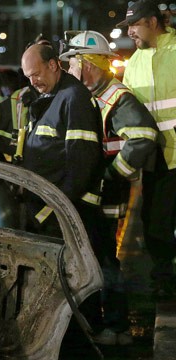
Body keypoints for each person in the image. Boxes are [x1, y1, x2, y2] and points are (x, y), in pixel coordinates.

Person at [60, 29, 159, 345]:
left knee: (104, 259)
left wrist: (114, 173)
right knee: (97, 257)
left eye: (71, 63)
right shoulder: (89, 94)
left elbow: (143, 135)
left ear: (86, 62)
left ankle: (116, 327)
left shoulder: (115, 97)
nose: (68, 70)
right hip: (94, 193)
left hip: (105, 195)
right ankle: (107, 324)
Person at [0, 44, 104, 238]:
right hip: (47, 208)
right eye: (28, 77)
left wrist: (51, 210)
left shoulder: (74, 99)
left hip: (67, 214)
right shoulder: (42, 95)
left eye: (36, 74)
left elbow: (81, 167)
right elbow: (2, 116)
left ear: (52, 65)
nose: (32, 82)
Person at [117, 0, 176, 297]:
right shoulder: (135, 62)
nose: (130, 32)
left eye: (134, 25)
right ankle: (164, 279)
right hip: (155, 158)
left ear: (153, 22)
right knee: (154, 222)